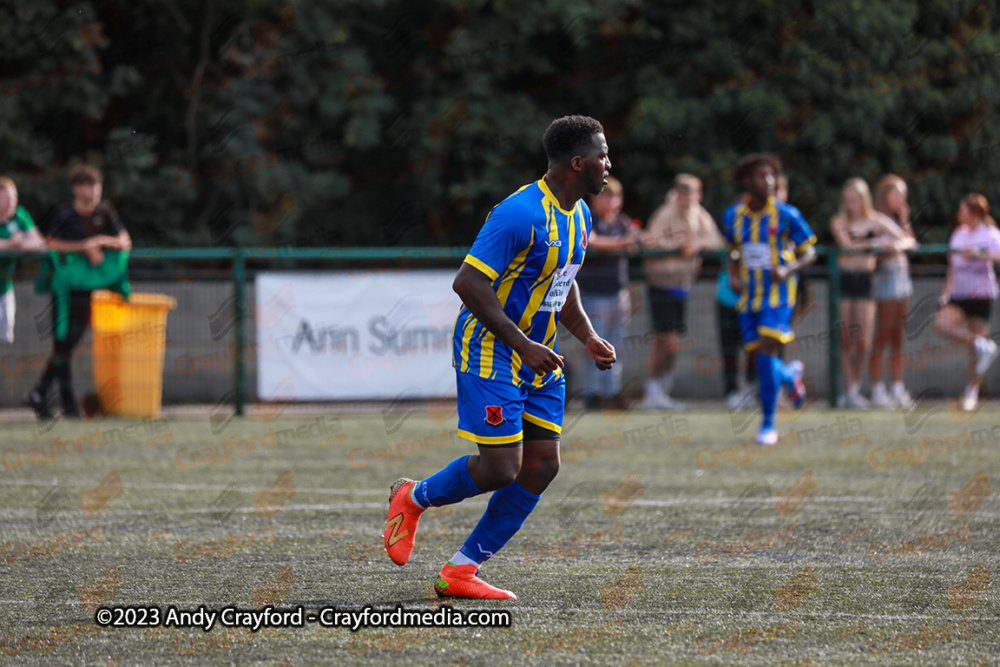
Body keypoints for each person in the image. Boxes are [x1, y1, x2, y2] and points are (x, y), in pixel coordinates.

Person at [383, 116, 616, 600]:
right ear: (578, 163)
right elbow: (468, 282)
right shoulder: (518, 213)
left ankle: (460, 571)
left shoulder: (580, 214)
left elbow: (561, 280)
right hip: (493, 351)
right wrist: (522, 344)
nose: (608, 165)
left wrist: (587, 334)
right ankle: (413, 496)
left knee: (542, 465)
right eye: (602, 156)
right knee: (500, 468)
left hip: (539, 356)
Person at [722, 154, 816, 445]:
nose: (770, 181)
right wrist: (734, 274)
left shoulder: (788, 215)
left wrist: (788, 268)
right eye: (763, 176)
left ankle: (768, 425)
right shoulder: (733, 216)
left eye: (773, 176)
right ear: (747, 181)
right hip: (748, 297)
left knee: (764, 354)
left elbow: (810, 253)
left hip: (779, 297)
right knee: (762, 358)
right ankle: (789, 375)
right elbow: (732, 251)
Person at [27, 166, 131, 419]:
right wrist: (81, 247)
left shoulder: (105, 212)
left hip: (88, 291)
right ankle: (66, 404)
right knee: (63, 343)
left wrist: (97, 242)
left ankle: (41, 394)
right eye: (90, 186)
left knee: (67, 346)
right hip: (64, 288)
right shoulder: (64, 214)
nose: (95, 192)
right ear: (77, 189)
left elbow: (124, 241)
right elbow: (49, 242)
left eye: (97, 187)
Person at [830, 178, 916, 408]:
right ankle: (847, 391)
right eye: (847, 200)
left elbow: (909, 241)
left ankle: (855, 389)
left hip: (866, 282)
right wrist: (876, 243)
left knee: (863, 341)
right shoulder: (839, 221)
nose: (851, 205)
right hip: (846, 281)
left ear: (864, 200)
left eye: (855, 200)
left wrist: (895, 246)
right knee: (846, 339)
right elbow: (846, 245)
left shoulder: (876, 220)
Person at [641, 174, 724, 409]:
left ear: (698, 195)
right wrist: (678, 246)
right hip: (661, 283)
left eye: (692, 193)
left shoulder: (700, 214)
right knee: (664, 341)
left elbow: (716, 240)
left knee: (670, 342)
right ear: (676, 194)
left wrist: (697, 244)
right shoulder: (664, 214)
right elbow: (651, 242)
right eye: (683, 193)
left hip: (682, 286)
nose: (687, 198)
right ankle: (654, 391)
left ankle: (661, 391)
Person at [576, 176, 641, 410]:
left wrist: (624, 241)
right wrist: (621, 242)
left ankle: (611, 392)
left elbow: (635, 243)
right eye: (605, 195)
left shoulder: (621, 221)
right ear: (594, 199)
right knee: (595, 344)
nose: (610, 201)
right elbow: (591, 242)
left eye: (615, 196)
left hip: (618, 292)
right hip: (592, 293)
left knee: (617, 345)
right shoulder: (588, 218)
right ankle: (592, 394)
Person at [933, 193, 1000, 411]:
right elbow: (952, 267)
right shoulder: (958, 235)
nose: (960, 214)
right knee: (941, 324)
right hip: (959, 295)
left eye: (964, 210)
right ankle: (981, 345)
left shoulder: (990, 234)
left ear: (976, 214)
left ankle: (970, 393)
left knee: (975, 356)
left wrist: (980, 254)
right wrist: (945, 293)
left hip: (981, 295)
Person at [870, 175, 919, 407]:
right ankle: (878, 390)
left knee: (898, 337)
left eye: (904, 195)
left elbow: (911, 243)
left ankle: (898, 388)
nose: (901, 199)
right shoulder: (876, 219)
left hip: (902, 279)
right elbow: (877, 251)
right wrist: (897, 246)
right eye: (896, 193)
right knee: (883, 335)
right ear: (885, 194)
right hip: (885, 279)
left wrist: (905, 222)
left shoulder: (899, 220)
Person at [0, 178, 46, 343]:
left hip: (4, 289)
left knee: (4, 343)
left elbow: (39, 242)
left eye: (14, 197)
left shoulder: (19, 216)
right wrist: (10, 244)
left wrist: (21, 243)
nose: (12, 202)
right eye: (8, 198)